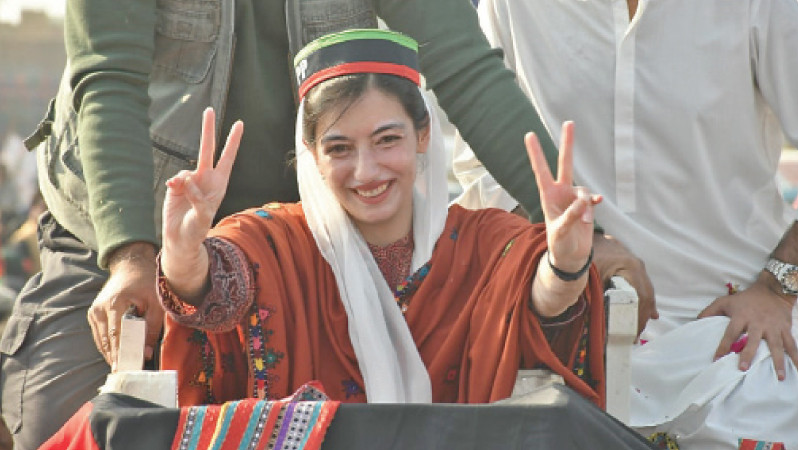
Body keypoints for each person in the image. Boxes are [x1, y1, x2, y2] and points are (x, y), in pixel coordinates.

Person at [0, 0, 649, 447]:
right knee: (60, 420)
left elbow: (463, 64)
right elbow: (106, 78)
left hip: (309, 231)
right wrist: (134, 254)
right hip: (131, 224)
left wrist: (583, 234)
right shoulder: (133, 240)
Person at [159, 29, 606, 407]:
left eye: (386, 140)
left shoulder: (484, 241)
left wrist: (566, 263)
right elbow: (212, 286)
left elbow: (544, 305)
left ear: (424, 134)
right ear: (311, 155)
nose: (366, 171)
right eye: (339, 149)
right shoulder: (276, 239)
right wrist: (182, 253)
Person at [452, 0, 798, 447]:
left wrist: (779, 285)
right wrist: (572, 248)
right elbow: (479, 166)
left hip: (743, 333)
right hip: (565, 326)